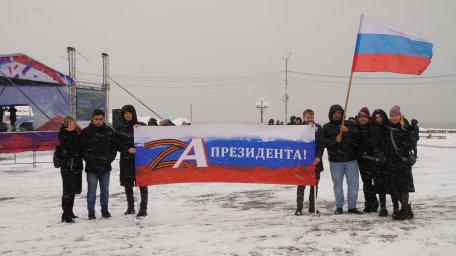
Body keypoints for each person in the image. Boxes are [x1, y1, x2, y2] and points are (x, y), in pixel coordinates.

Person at [323, 104, 361, 214]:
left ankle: (352, 207)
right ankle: (339, 206)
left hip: (351, 160)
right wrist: (335, 140)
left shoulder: (349, 124)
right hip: (335, 161)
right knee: (337, 185)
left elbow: (358, 136)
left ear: (342, 114)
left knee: (353, 184)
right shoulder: (327, 127)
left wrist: (347, 130)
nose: (337, 115)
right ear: (331, 114)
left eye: (339, 113)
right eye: (335, 113)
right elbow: (324, 142)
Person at [80, 109, 117, 220]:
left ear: (104, 118)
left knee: (105, 190)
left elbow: (113, 148)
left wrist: (109, 159)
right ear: (92, 118)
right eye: (96, 119)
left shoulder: (109, 131)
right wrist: (89, 160)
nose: (98, 121)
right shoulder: (86, 131)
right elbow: (82, 149)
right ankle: (91, 212)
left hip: (105, 167)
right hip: (91, 168)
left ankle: (105, 211)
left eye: (101, 119)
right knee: (92, 190)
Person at [116, 105, 149, 217]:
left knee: (142, 184)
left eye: (129, 112)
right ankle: (130, 208)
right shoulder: (120, 128)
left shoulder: (141, 126)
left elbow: (150, 138)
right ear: (123, 115)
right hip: (126, 160)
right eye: (125, 113)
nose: (128, 115)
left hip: (140, 160)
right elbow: (116, 144)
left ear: (133, 113)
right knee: (128, 185)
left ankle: (143, 208)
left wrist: (142, 129)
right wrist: (126, 149)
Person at [386, 106, 415, 220]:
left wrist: (403, 149)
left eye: (396, 115)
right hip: (392, 161)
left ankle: (404, 210)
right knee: (395, 188)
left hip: (403, 161)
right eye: (392, 116)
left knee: (403, 187)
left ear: (400, 116)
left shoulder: (406, 127)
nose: (394, 118)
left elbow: (412, 141)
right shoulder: (388, 128)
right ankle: (407, 208)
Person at [295, 109, 324, 215]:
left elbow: (321, 143)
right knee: (301, 185)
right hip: (303, 161)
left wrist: (319, 156)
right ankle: (299, 208)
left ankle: (312, 207)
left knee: (314, 185)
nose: (310, 119)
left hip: (316, 161)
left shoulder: (319, 128)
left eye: (311, 117)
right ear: (303, 117)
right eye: (308, 117)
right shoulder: (298, 128)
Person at [371, 109, 399, 217]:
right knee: (380, 185)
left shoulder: (389, 126)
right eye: (376, 117)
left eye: (380, 117)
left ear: (384, 116)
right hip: (378, 160)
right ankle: (383, 208)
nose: (378, 119)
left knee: (392, 185)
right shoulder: (373, 128)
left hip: (390, 160)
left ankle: (396, 207)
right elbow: (371, 142)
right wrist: (377, 150)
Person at [58, 116, 83, 223]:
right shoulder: (63, 134)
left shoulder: (78, 132)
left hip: (76, 165)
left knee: (73, 190)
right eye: (68, 123)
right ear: (65, 124)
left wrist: (74, 133)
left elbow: (79, 146)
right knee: (67, 190)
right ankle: (65, 214)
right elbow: (70, 147)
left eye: (72, 123)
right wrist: (71, 133)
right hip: (67, 166)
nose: (70, 125)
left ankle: (70, 211)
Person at [355, 107, 379, 213]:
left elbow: (374, 142)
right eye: (360, 117)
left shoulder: (374, 126)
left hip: (374, 159)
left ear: (368, 117)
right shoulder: (356, 127)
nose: (362, 119)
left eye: (365, 117)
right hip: (362, 160)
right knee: (366, 182)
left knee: (376, 182)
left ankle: (377, 203)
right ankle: (369, 203)